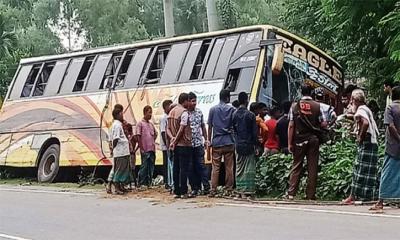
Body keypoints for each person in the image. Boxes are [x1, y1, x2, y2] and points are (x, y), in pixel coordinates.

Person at [287, 84, 327, 200]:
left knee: (297, 165)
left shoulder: (295, 106)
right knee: (312, 167)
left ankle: (291, 193)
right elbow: (324, 123)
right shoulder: (318, 106)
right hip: (313, 140)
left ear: (301, 92)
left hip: (299, 140)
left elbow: (291, 125)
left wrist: (290, 143)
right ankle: (310, 195)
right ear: (312, 93)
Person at [342, 89, 380, 204]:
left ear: (355, 100)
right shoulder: (365, 109)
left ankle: (353, 196)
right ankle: (368, 196)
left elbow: (365, 123)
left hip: (367, 142)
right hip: (372, 143)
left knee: (359, 170)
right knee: (368, 172)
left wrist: (360, 137)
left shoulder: (361, 109)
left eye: (351, 100)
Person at [370, 86, 400, 211]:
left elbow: (390, 126)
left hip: (393, 145)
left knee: (386, 173)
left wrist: (398, 137)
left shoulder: (390, 107)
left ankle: (380, 201)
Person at [207, 89, 235, 197]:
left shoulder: (213, 109)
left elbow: (210, 127)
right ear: (227, 98)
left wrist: (209, 141)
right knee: (229, 167)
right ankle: (229, 189)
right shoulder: (232, 109)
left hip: (217, 142)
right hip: (229, 141)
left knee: (215, 167)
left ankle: (213, 189)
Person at [232, 92, 258, 198]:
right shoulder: (251, 115)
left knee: (239, 168)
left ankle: (240, 190)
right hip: (249, 144)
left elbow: (234, 130)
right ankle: (249, 191)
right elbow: (254, 133)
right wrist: (256, 146)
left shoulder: (234, 114)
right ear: (246, 100)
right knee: (249, 168)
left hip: (238, 144)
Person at [168, 93, 192, 198]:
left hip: (175, 145)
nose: (189, 103)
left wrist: (172, 139)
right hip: (184, 144)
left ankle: (176, 191)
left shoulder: (171, 111)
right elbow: (182, 129)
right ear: (185, 101)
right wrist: (176, 140)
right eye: (188, 101)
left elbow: (167, 128)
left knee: (176, 168)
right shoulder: (184, 113)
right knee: (183, 169)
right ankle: (183, 191)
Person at [187, 92, 211, 196]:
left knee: (201, 166)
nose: (194, 103)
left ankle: (206, 187)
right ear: (188, 101)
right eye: (192, 101)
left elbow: (203, 127)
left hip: (198, 144)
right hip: (188, 145)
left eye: (195, 101)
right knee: (191, 167)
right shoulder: (185, 114)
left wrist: (206, 139)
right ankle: (194, 188)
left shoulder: (199, 112)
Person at [107, 106, 132, 194]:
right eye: (121, 114)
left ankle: (120, 186)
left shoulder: (118, 124)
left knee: (123, 169)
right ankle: (116, 187)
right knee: (119, 169)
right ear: (117, 115)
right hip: (120, 151)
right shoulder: (117, 125)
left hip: (123, 151)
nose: (122, 116)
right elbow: (116, 138)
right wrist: (113, 148)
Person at [136, 106, 157, 188]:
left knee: (151, 167)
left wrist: (152, 141)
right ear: (145, 113)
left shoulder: (151, 124)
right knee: (144, 166)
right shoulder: (140, 123)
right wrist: (141, 148)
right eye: (149, 112)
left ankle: (149, 183)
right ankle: (141, 183)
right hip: (145, 149)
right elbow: (138, 136)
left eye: (151, 112)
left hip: (152, 149)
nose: (150, 114)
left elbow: (155, 134)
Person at [160, 100, 173, 190]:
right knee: (166, 164)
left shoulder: (169, 117)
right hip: (166, 146)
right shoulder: (164, 118)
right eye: (170, 106)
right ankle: (167, 182)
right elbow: (163, 132)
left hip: (169, 144)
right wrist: (167, 145)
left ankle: (169, 181)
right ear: (165, 107)